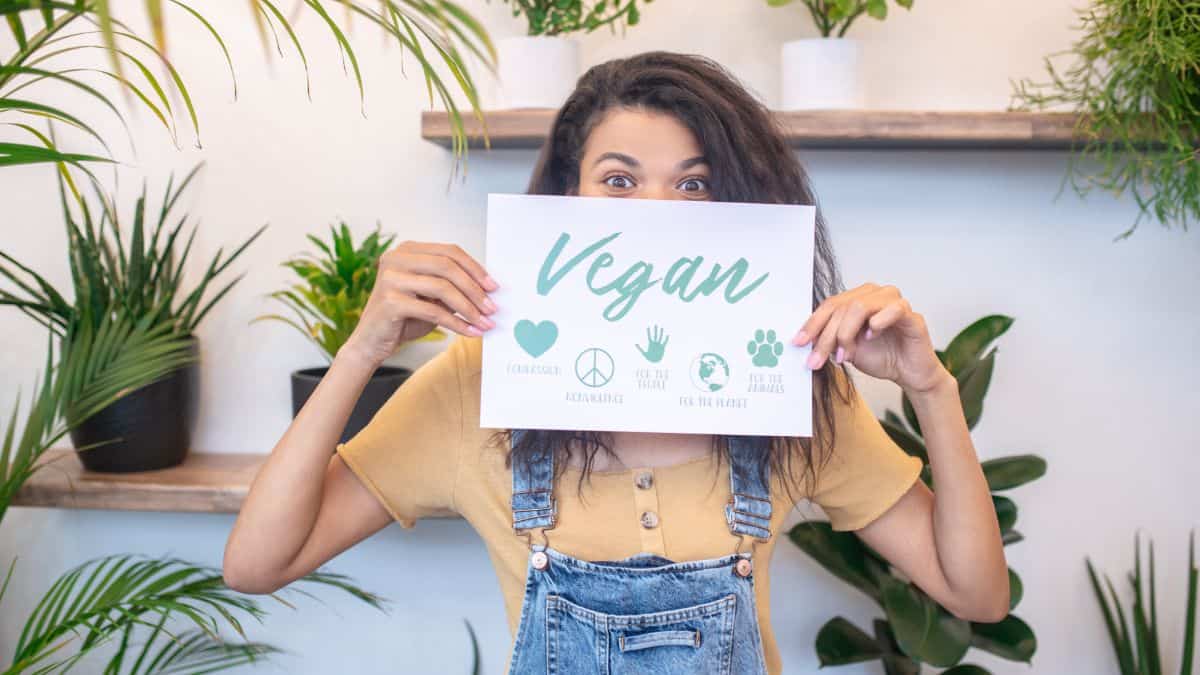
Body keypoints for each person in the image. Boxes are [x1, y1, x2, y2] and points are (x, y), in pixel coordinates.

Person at [223, 51, 1009, 674]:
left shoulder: (790, 380)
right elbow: (258, 563)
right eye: (620, 179)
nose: (657, 213)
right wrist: (362, 348)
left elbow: (975, 593)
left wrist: (930, 386)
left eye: (694, 183)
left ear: (739, 202)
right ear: (570, 194)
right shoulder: (477, 383)